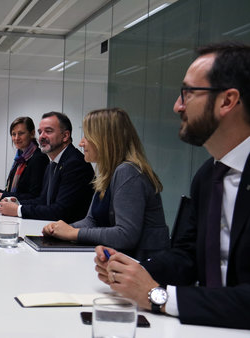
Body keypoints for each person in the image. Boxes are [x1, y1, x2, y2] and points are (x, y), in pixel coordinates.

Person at [94, 42, 250, 329]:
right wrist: (133, 271)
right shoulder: (208, 176)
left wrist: (159, 297)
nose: (177, 105)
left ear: (227, 101)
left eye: (188, 93)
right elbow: (187, 255)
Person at [42, 108, 170, 261]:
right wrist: (60, 229)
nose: (81, 143)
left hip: (144, 267)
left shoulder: (127, 172)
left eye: (87, 137)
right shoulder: (109, 172)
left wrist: (72, 233)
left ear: (105, 140)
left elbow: (125, 235)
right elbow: (91, 220)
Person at [0, 112, 94, 221]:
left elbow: (61, 211)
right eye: (40, 132)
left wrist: (19, 210)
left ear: (65, 136)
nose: (42, 136)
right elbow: (42, 201)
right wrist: (14, 202)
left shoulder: (75, 163)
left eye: (48, 131)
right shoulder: (52, 164)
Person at [0, 116, 49, 201]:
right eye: (13, 134)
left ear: (32, 133)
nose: (16, 138)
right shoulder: (20, 159)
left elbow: (34, 196)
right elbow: (12, 192)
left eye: (21, 133)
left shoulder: (39, 158)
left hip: (25, 211)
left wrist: (1, 195)